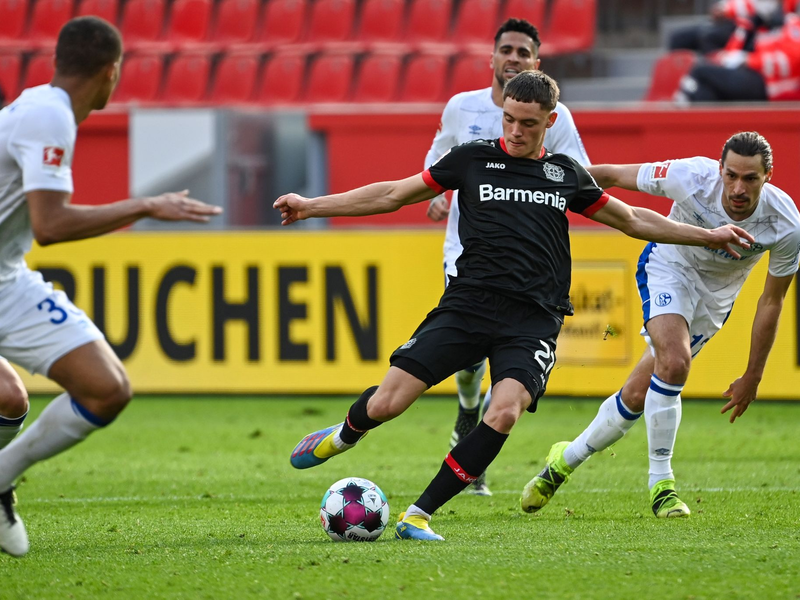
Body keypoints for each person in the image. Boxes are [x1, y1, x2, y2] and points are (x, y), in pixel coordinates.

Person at [276, 70, 753, 541]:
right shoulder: (471, 160)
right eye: (510, 119)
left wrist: (707, 234)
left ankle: (418, 515)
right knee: (387, 402)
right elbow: (392, 194)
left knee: (503, 411)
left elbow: (630, 219)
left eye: (529, 123)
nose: (516, 131)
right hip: (467, 306)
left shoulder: (563, 173)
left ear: (549, 121)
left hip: (532, 321)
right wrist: (312, 206)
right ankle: (341, 437)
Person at [0, 16, 221, 557]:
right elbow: (50, 227)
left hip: (5, 273)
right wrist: (146, 204)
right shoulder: (48, 117)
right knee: (8, 398)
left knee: (104, 388)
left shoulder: (42, 108)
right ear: (111, 71)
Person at [520, 131, 800, 519]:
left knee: (637, 394)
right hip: (669, 267)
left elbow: (771, 301)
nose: (738, 188)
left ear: (768, 176)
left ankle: (562, 462)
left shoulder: (786, 224)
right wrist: (538, 187)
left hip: (713, 301)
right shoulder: (689, 176)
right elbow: (612, 174)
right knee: (675, 362)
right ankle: (662, 484)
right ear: (719, 170)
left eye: (750, 179)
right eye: (731, 176)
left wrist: (754, 374)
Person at [424, 17, 590, 496]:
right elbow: (435, 164)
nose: (513, 58)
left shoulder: (557, 117)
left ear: (535, 63)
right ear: (491, 58)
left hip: (523, 263)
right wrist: (437, 196)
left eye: (523, 52)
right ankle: (467, 408)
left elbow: (575, 172)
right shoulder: (462, 108)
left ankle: (470, 428)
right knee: (469, 358)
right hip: (466, 251)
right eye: (506, 50)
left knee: (498, 366)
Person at [678, 3, 800, 102]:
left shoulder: (793, 25)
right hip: (756, 75)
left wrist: (747, 60)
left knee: (700, 73)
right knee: (704, 82)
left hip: (770, 85)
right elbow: (735, 50)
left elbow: (791, 61)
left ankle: (678, 120)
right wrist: (726, 58)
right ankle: (704, 127)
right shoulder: (758, 23)